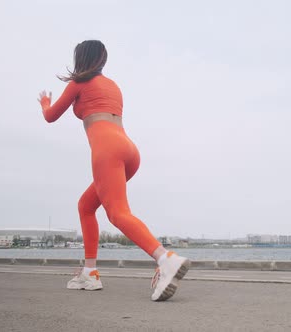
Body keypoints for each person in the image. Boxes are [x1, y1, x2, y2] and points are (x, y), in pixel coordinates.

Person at [37, 40, 190, 301]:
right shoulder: (113, 85)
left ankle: (166, 259)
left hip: (107, 149)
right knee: (86, 206)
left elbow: (51, 116)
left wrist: (44, 102)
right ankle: (90, 272)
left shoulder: (78, 83)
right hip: (129, 150)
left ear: (80, 58)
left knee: (117, 213)